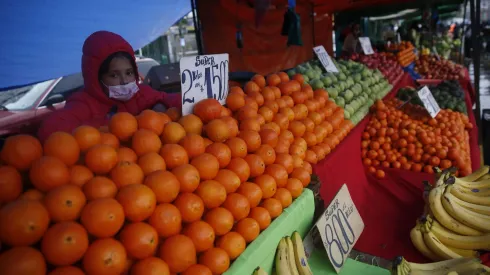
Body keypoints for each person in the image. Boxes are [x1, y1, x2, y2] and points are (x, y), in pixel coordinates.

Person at [37, 31, 181, 142]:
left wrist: (161, 105)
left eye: (129, 73)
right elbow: (49, 130)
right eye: (114, 75)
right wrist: (112, 126)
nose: (124, 81)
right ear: (97, 78)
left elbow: (173, 99)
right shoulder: (83, 103)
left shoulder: (141, 93)